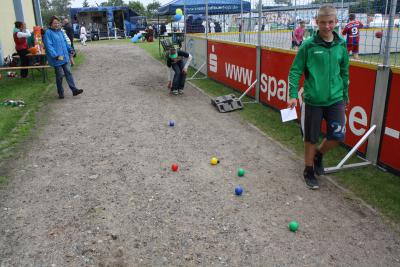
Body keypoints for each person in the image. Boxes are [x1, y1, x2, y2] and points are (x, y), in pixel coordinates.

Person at [288, 5, 349, 189]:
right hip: (313, 100)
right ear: (317, 22)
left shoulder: (341, 44)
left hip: (336, 99)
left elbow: (344, 71)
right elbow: (295, 71)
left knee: (338, 136)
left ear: (336, 22)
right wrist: (292, 95)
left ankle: (319, 155)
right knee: (311, 139)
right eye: (323, 22)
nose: (327, 26)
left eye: (331, 22)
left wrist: (345, 95)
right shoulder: (308, 45)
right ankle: (308, 170)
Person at [44, 16, 83, 99]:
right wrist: (55, 55)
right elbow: (49, 46)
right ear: (51, 24)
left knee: (68, 73)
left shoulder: (60, 32)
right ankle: (60, 92)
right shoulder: (48, 33)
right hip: (57, 58)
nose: (57, 24)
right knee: (59, 76)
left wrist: (70, 49)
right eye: (55, 23)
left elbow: (65, 42)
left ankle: (74, 90)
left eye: (58, 23)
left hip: (64, 57)